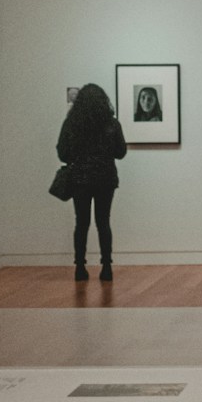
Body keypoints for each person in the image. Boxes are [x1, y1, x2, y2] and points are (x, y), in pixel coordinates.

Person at [56, 84, 128, 282]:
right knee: (103, 222)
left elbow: (62, 153)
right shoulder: (112, 124)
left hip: (80, 179)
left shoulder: (71, 123)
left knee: (82, 223)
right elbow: (121, 153)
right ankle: (106, 267)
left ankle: (80, 267)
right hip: (106, 179)